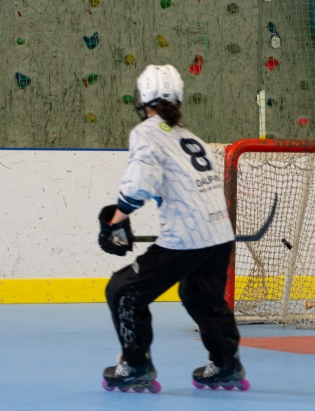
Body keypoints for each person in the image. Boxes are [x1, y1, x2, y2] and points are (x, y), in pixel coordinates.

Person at [98, 64, 248, 392]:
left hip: (187, 237)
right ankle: (226, 363)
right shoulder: (189, 136)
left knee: (122, 291)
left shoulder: (147, 132)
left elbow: (139, 184)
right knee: (201, 296)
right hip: (219, 233)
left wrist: (116, 220)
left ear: (143, 99)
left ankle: (135, 366)